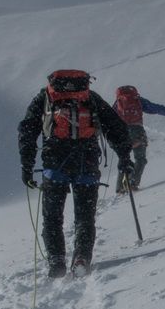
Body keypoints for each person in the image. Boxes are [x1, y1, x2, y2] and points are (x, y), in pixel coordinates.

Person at [18, 69, 135, 277]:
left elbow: (27, 131)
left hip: (55, 166)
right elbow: (115, 127)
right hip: (86, 164)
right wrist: (125, 157)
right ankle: (81, 257)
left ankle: (56, 260)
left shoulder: (45, 97)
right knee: (85, 216)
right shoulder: (90, 97)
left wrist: (26, 166)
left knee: (52, 217)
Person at [111, 85, 165, 193]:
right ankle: (132, 183)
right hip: (137, 131)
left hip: (122, 132)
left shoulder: (117, 103)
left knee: (124, 158)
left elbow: (109, 117)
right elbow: (154, 108)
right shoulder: (138, 100)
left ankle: (120, 188)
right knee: (140, 158)